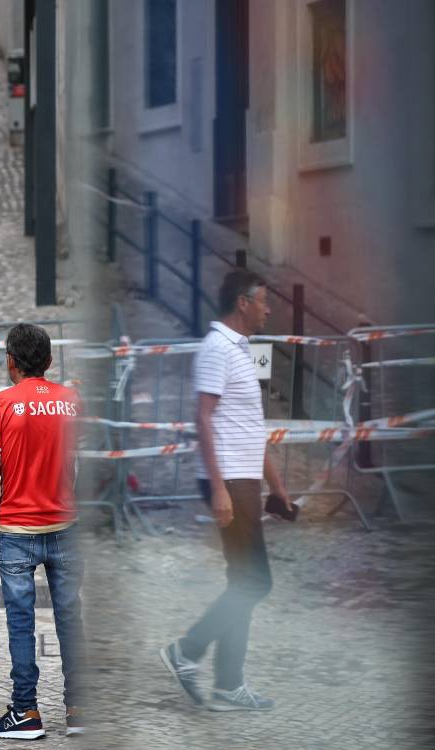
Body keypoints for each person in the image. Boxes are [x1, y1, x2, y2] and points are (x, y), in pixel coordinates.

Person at [160, 269, 290, 712]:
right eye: (263, 300)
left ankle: (228, 685)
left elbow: (251, 429)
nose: (268, 308)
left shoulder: (240, 349)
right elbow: (203, 418)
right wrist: (219, 489)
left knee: (244, 582)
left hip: (244, 479)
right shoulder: (217, 348)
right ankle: (187, 651)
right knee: (256, 582)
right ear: (242, 302)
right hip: (230, 481)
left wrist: (278, 486)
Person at [0, 323, 85, 739]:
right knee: (70, 617)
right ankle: (78, 708)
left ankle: (25, 711)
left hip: (17, 527)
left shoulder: (1, 403)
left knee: (20, 623)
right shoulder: (70, 402)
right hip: (64, 524)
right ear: (49, 361)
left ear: (10, 361)